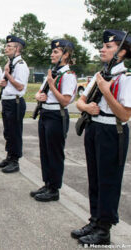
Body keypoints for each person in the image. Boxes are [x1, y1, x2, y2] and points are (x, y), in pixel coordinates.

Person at [73, 30, 131, 246]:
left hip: (112, 132)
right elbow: (80, 102)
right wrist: (86, 106)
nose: (102, 49)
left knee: (108, 181)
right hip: (94, 129)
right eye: (103, 46)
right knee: (95, 178)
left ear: (122, 52)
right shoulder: (101, 75)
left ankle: (104, 230)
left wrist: (106, 91)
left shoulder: (125, 79)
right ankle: (95, 220)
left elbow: (125, 114)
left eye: (108, 47)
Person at [30, 39, 76, 202]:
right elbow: (41, 92)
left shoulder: (68, 75)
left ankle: (54, 189)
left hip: (57, 116)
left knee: (55, 153)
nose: (52, 54)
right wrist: (38, 96)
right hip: (46, 114)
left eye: (56, 52)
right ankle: (47, 183)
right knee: (45, 152)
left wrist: (52, 84)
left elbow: (65, 100)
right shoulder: (53, 73)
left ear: (66, 55)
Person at [0, 35, 29, 173]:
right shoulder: (10, 63)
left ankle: (15, 161)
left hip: (16, 102)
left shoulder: (21, 65)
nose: (6, 48)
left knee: (15, 132)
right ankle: (9, 157)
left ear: (18, 48)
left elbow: (20, 86)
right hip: (8, 101)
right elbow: (7, 82)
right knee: (8, 132)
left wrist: (7, 76)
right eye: (6, 46)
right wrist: (4, 82)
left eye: (9, 46)